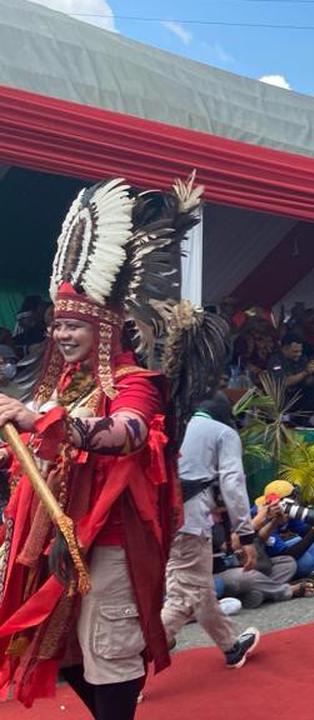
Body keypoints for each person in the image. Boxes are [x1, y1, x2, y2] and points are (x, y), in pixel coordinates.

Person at [0, 175, 211, 715]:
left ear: (103, 328)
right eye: (58, 327)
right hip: (56, 538)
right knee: (64, 647)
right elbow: (37, 455)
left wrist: (39, 421)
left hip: (111, 539)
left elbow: (130, 433)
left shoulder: (134, 382)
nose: (63, 335)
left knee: (108, 652)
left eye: (75, 326)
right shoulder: (59, 386)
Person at [162, 392, 262, 668]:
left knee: (197, 588)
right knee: (183, 597)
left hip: (160, 520)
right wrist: (245, 533)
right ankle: (134, 657)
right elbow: (232, 482)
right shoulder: (223, 432)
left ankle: (231, 647)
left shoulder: (174, 424)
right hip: (191, 522)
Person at [252, 480, 314, 586]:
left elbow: (304, 531)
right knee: (306, 561)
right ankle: (310, 570)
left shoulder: (287, 509)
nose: (296, 502)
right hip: (265, 557)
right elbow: (287, 554)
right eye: (294, 498)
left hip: (281, 549)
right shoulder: (261, 515)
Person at [266, 334, 314, 421]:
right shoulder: (276, 360)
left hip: (297, 394)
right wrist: (305, 372)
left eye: (300, 351)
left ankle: (303, 420)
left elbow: (308, 382)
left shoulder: (302, 359)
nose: (299, 354)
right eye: (295, 352)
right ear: (285, 349)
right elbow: (284, 382)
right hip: (281, 396)